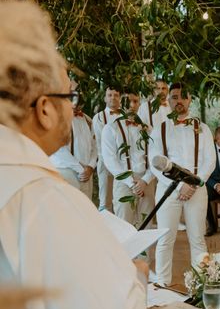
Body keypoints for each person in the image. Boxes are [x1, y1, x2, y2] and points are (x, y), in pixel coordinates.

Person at [0, 0, 152, 309]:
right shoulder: (40, 197)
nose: (73, 109)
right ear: (45, 109)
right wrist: (135, 278)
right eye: (70, 97)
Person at [149, 82, 216, 286]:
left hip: (196, 190)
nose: (179, 101)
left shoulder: (203, 129)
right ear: (168, 100)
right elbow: (155, 163)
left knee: (197, 238)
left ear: (189, 100)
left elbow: (209, 161)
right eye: (175, 97)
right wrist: (179, 186)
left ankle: (200, 286)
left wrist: (193, 184)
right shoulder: (159, 129)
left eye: (183, 97)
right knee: (165, 239)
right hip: (167, 190)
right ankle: (162, 284)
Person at [102, 91, 155, 225]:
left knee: (145, 225)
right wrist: (131, 183)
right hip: (123, 182)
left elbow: (155, 158)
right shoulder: (110, 128)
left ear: (139, 104)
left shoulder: (148, 130)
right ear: (121, 102)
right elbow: (110, 160)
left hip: (146, 181)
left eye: (135, 101)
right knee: (124, 226)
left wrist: (145, 180)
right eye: (127, 101)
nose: (131, 105)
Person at [49, 99, 97, 199]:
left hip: (87, 173)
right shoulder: (58, 118)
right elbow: (59, 148)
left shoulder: (88, 120)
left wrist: (91, 166)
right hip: (66, 171)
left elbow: (94, 146)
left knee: (85, 209)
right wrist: (80, 168)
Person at [92, 86, 121, 211]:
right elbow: (100, 143)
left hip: (123, 163)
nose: (113, 98)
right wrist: (109, 163)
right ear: (105, 98)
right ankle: (106, 228)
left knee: (121, 199)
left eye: (115, 95)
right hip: (105, 162)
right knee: (105, 200)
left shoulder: (126, 116)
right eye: (110, 95)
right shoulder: (98, 117)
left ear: (120, 98)